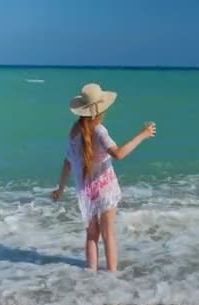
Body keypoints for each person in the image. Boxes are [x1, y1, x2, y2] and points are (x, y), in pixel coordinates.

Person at [51, 83, 156, 272]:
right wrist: (143, 135)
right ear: (100, 111)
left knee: (91, 236)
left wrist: (60, 188)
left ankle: (91, 276)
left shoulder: (74, 131)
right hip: (105, 190)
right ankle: (111, 280)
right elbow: (119, 154)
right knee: (109, 235)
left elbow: (67, 161)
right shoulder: (99, 131)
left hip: (86, 193)